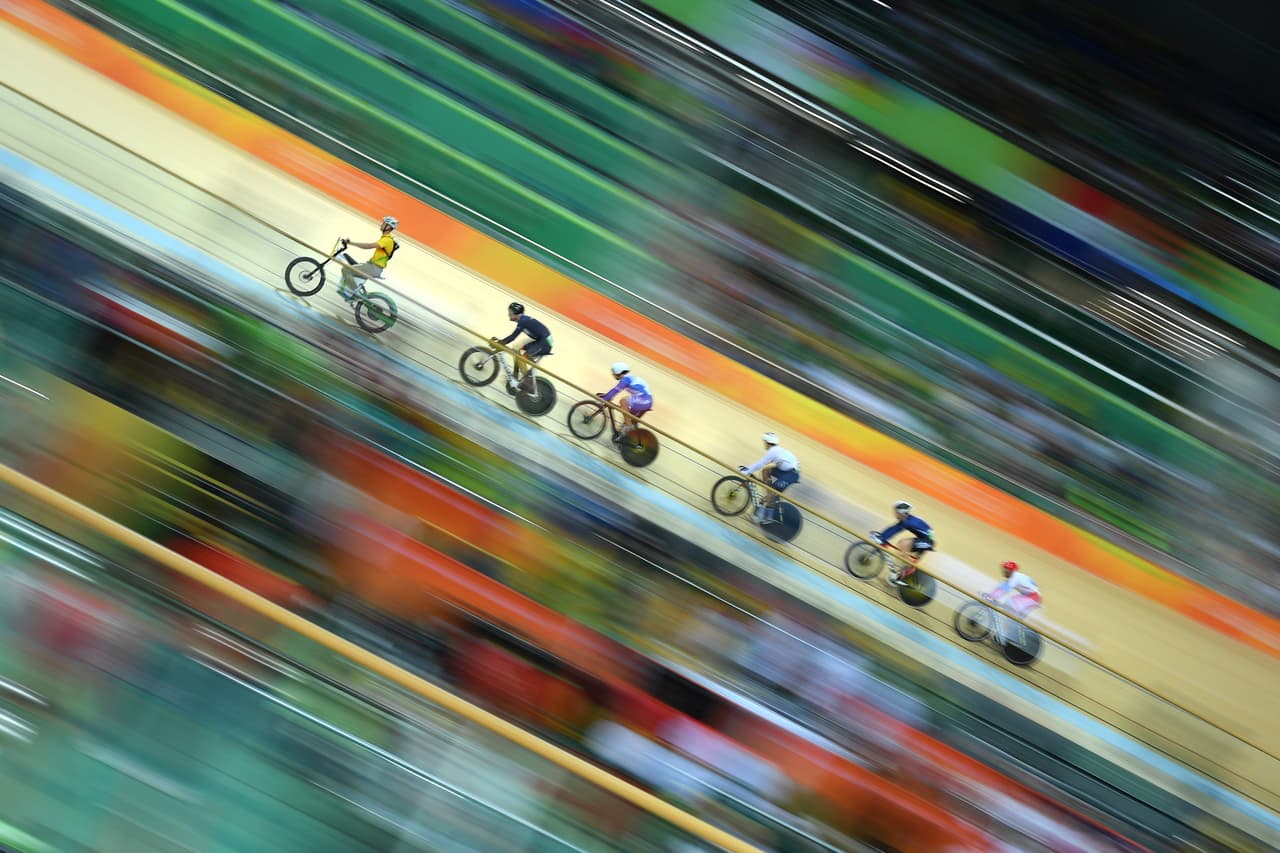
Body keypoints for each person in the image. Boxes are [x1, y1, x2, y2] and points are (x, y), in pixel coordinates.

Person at [738, 432, 800, 524]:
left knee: (774, 490)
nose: (764, 444)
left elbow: (760, 463)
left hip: (791, 474)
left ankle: (764, 517)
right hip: (786, 471)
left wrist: (748, 471)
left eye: (765, 442)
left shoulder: (773, 451)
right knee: (766, 470)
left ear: (767, 443)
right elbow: (763, 466)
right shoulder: (776, 450)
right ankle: (769, 496)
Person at [491, 302, 553, 392]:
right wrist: (501, 342)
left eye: (510, 313)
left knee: (522, 357)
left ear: (516, 314)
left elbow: (513, 337)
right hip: (542, 341)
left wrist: (500, 343)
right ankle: (516, 376)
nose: (508, 314)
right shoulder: (523, 320)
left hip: (544, 343)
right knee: (517, 351)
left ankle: (526, 381)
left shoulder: (522, 322)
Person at [870, 501, 934, 585]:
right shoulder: (906, 519)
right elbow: (893, 528)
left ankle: (909, 568)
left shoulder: (908, 522)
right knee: (902, 548)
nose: (895, 514)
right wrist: (881, 536)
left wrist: (882, 538)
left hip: (928, 542)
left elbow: (895, 530)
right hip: (925, 540)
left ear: (902, 513)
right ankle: (901, 572)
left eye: (896, 513)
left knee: (903, 544)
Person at [339, 216, 399, 299]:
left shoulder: (387, 240)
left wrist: (351, 243)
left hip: (374, 267)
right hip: (372, 266)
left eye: (383, 223)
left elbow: (368, 246)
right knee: (351, 265)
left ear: (388, 226)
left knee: (345, 270)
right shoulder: (386, 239)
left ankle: (355, 294)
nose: (381, 224)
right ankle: (351, 290)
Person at [599, 362, 653, 443]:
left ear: (618, 371)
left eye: (613, 372)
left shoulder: (625, 380)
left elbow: (615, 390)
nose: (612, 374)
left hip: (645, 400)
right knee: (626, 417)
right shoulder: (628, 378)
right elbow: (614, 391)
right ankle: (624, 435)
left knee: (623, 401)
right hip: (645, 400)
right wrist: (607, 395)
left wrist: (604, 399)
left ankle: (629, 427)